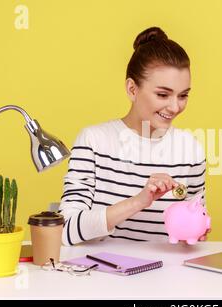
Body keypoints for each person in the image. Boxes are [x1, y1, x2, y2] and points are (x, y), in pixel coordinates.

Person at [58, 26, 209, 245]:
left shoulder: (191, 150)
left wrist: (197, 231)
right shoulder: (93, 141)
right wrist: (138, 201)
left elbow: (194, 232)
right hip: (103, 274)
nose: (175, 107)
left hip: (169, 276)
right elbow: (65, 230)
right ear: (132, 89)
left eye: (183, 95)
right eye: (163, 94)